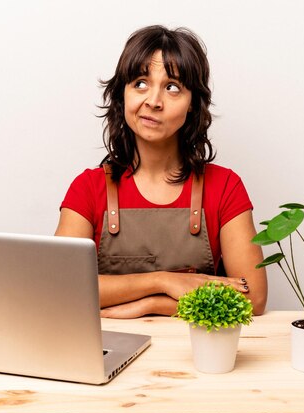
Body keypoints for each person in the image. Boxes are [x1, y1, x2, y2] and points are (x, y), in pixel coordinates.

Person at [55, 25, 267, 318]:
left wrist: (152, 304)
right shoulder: (87, 188)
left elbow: (253, 298)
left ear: (193, 104)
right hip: (106, 354)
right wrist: (163, 281)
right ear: (122, 95)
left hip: (202, 354)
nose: (153, 101)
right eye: (140, 83)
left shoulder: (225, 186)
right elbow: (62, 287)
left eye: (172, 87)